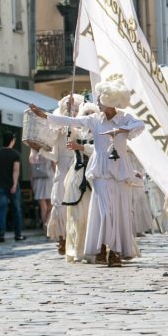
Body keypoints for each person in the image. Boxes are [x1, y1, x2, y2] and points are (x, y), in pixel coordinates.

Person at [29, 75, 145, 267]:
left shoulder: (124, 118)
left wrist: (120, 131)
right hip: (100, 170)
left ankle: (115, 251)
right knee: (103, 211)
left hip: (120, 170)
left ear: (110, 101)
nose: (97, 102)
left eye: (100, 99)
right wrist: (45, 115)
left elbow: (139, 126)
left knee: (119, 211)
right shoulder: (94, 119)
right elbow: (70, 120)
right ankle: (101, 246)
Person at [43, 93, 84, 255]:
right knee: (59, 205)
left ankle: (77, 239)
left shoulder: (80, 128)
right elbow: (54, 156)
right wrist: (40, 150)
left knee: (77, 205)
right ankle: (62, 238)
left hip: (77, 170)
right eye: (69, 108)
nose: (72, 111)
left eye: (74, 109)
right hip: (61, 172)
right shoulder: (58, 132)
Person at [62, 100, 97, 264]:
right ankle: (77, 251)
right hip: (76, 176)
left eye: (92, 114)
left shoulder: (100, 132)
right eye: (86, 114)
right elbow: (67, 131)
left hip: (93, 177)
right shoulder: (77, 131)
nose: (89, 116)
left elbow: (100, 151)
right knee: (77, 215)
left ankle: (93, 251)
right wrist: (68, 112)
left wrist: (82, 148)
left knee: (91, 216)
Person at [0, 133, 25, 243]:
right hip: (12, 185)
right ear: (12, 140)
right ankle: (18, 234)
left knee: (2, 210)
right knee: (16, 210)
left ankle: (1, 235)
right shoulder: (15, 154)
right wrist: (14, 184)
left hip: (1, 185)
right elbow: (16, 170)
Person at [29, 147, 54, 226]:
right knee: (51, 205)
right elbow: (54, 166)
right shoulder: (49, 148)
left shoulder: (33, 150)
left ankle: (44, 224)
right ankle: (47, 224)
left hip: (38, 180)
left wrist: (32, 184)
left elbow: (31, 170)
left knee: (43, 206)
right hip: (49, 178)